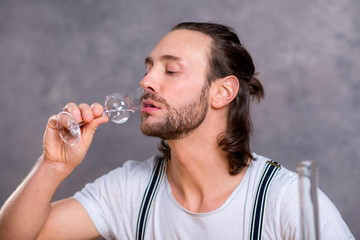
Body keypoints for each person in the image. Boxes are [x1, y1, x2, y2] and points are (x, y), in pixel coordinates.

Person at [0, 22, 354, 240]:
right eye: (149, 68)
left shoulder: (288, 200)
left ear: (222, 92)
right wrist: (53, 166)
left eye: (171, 71)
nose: (145, 82)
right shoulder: (129, 191)